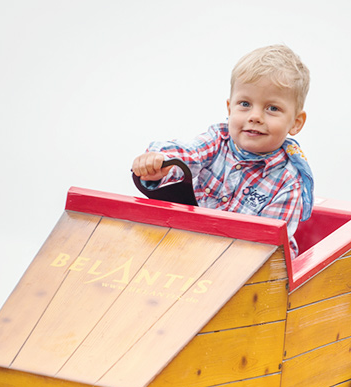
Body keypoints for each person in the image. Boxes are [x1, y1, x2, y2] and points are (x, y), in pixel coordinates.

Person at [132, 44, 313, 255]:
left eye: (272, 108)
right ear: (229, 108)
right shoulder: (218, 140)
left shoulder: (288, 180)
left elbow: (270, 244)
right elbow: (190, 153)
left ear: (296, 122)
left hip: (249, 259)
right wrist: (160, 162)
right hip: (198, 245)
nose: (255, 116)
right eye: (245, 104)